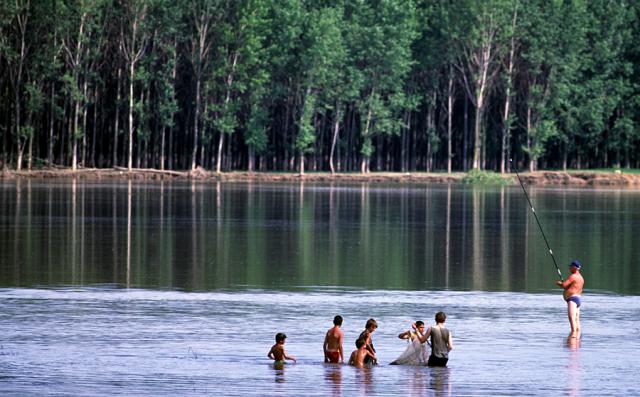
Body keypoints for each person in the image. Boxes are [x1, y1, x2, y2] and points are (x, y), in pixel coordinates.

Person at [556, 260, 585, 338]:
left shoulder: (573, 276)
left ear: (574, 268)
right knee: (577, 319)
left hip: (572, 299)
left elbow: (564, 285)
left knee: (571, 318)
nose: (569, 268)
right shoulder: (581, 278)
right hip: (578, 299)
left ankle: (573, 335)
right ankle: (577, 336)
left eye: (570, 267)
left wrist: (559, 283)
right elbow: (574, 287)